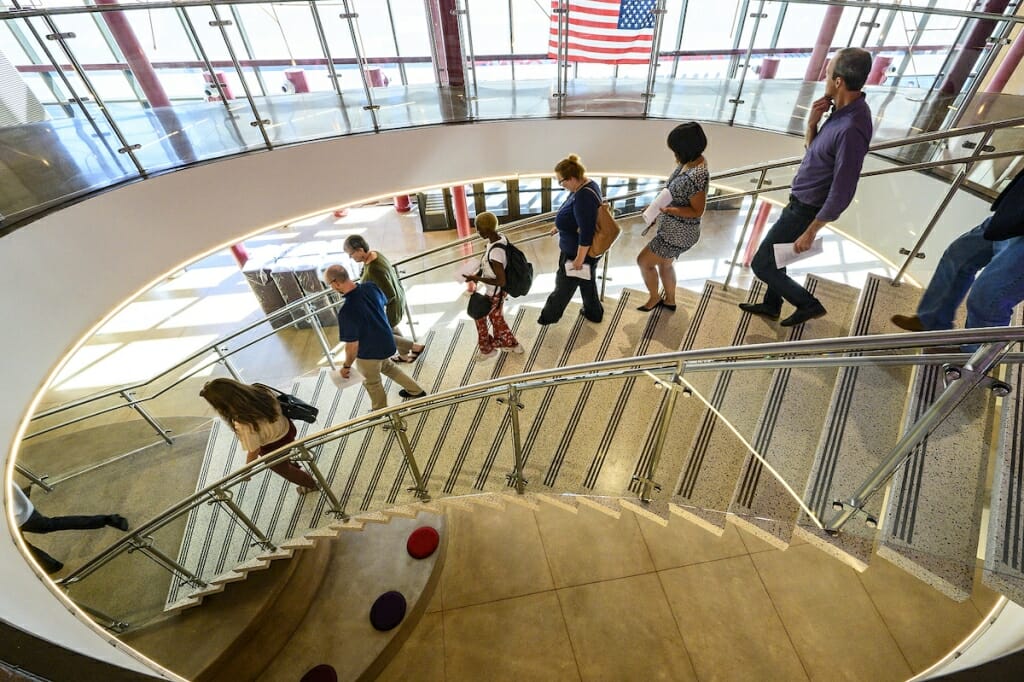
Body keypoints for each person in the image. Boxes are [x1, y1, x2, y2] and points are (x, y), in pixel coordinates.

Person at [740, 47, 874, 327]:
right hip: (800, 200)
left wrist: (812, 230)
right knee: (778, 256)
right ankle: (771, 304)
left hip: (806, 209)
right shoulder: (838, 113)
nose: (824, 79)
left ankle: (808, 304)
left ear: (838, 81)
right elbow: (816, 154)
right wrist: (812, 125)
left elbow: (844, 188)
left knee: (762, 264)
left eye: (827, 74)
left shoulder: (851, 128)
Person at [891, 168, 1024, 349]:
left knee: (988, 299)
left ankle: (972, 363)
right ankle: (933, 321)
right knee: (958, 255)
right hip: (1015, 212)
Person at [324, 264, 427, 410]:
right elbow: (382, 305)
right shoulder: (370, 287)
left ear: (335, 283)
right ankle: (416, 391)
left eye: (329, 284)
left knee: (372, 384)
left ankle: (380, 411)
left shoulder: (347, 311)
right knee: (389, 367)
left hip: (368, 353)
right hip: (386, 343)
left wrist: (346, 366)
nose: (331, 287)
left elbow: (352, 346)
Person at [200, 378, 320, 495]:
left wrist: (247, 471)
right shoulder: (261, 390)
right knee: (288, 453)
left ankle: (311, 484)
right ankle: (293, 461)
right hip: (288, 430)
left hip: (273, 447)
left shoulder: (243, 422)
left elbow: (254, 449)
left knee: (286, 471)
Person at [637, 122, 709, 312]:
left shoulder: (697, 176)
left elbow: (697, 210)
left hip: (677, 234)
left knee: (643, 262)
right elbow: (676, 193)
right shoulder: (691, 162)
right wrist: (657, 208)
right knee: (665, 265)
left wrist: (669, 210)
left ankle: (654, 298)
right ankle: (670, 300)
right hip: (674, 229)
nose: (674, 154)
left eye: (676, 149)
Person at [538, 154, 604, 326]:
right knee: (586, 281)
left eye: (562, 182)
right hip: (579, 250)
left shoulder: (583, 197)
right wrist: (559, 226)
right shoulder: (585, 186)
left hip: (577, 253)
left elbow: (586, 232)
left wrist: (579, 260)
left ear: (572, 178)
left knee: (563, 287)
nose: (561, 185)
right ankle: (594, 312)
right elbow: (575, 214)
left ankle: (548, 317)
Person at [10, 482, 129, 574]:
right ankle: (107, 519)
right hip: (20, 510)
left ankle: (51, 566)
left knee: (21, 545)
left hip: (14, 517)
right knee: (49, 526)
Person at [343, 235, 425, 363]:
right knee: (391, 330)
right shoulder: (375, 255)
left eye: (351, 254)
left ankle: (415, 347)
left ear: (360, 250)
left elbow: (389, 294)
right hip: (397, 299)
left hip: (390, 308)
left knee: (385, 332)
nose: (351, 257)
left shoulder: (374, 269)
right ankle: (406, 354)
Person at [463, 211, 525, 360]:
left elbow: (500, 281)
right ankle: (510, 345)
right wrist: (479, 273)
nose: (477, 232)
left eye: (479, 229)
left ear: (487, 230)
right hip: (497, 291)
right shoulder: (499, 238)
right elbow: (489, 264)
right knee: (496, 319)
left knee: (480, 317)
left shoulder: (496, 253)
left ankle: (488, 349)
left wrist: (476, 277)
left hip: (495, 293)